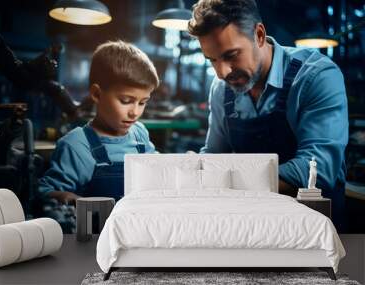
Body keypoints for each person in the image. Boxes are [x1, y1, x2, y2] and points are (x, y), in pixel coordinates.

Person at [188, 0, 348, 230]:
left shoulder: (317, 77)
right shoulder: (221, 88)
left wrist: (228, 178)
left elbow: (319, 170)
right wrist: (196, 167)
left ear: (259, 35)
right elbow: (215, 153)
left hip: (315, 225)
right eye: (212, 59)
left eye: (231, 55)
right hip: (253, 224)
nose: (222, 72)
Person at [37, 41, 159, 205]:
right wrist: (61, 196)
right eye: (126, 101)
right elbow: (44, 191)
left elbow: (156, 169)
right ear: (96, 94)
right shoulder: (77, 145)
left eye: (143, 102)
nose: (135, 112)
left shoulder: (139, 133)